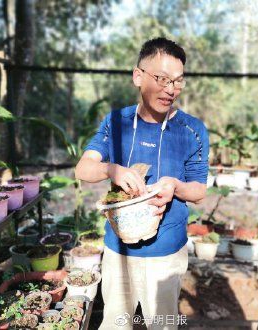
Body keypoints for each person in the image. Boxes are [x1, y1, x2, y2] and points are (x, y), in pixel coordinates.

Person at [75, 37, 209, 329]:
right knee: (116, 321)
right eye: (161, 79)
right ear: (138, 76)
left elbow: (198, 190)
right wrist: (112, 170)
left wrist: (174, 185)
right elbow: (83, 169)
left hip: (167, 253)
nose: (171, 89)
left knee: (161, 323)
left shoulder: (192, 130)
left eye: (178, 81)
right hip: (118, 250)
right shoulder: (116, 122)